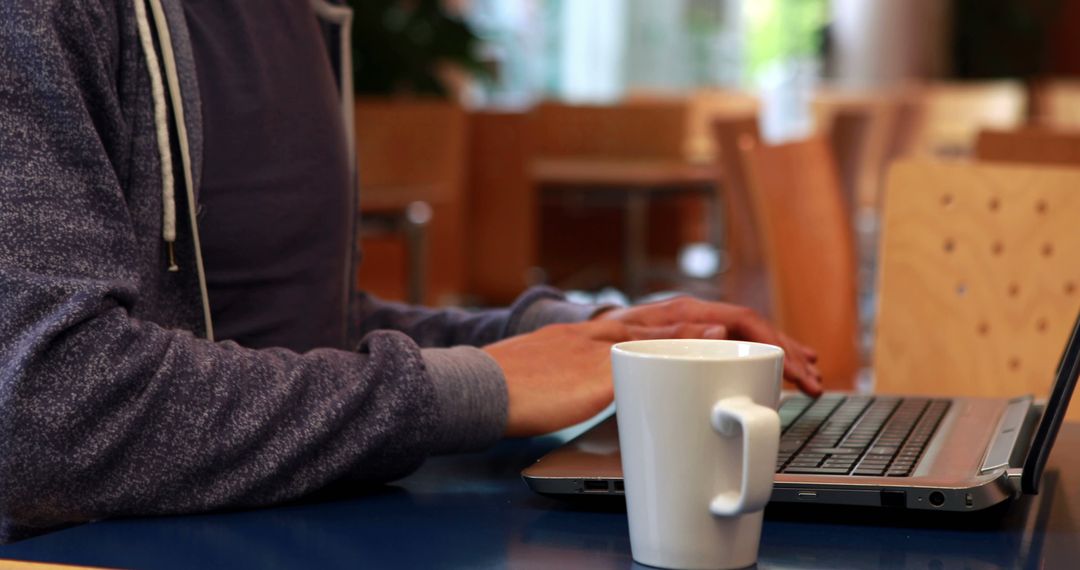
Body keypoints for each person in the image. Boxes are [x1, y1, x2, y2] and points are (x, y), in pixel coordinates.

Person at [0, 0, 821, 542]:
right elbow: (46, 411)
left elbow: (301, 335)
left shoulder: (300, 14)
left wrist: (554, 342)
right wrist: (476, 387)